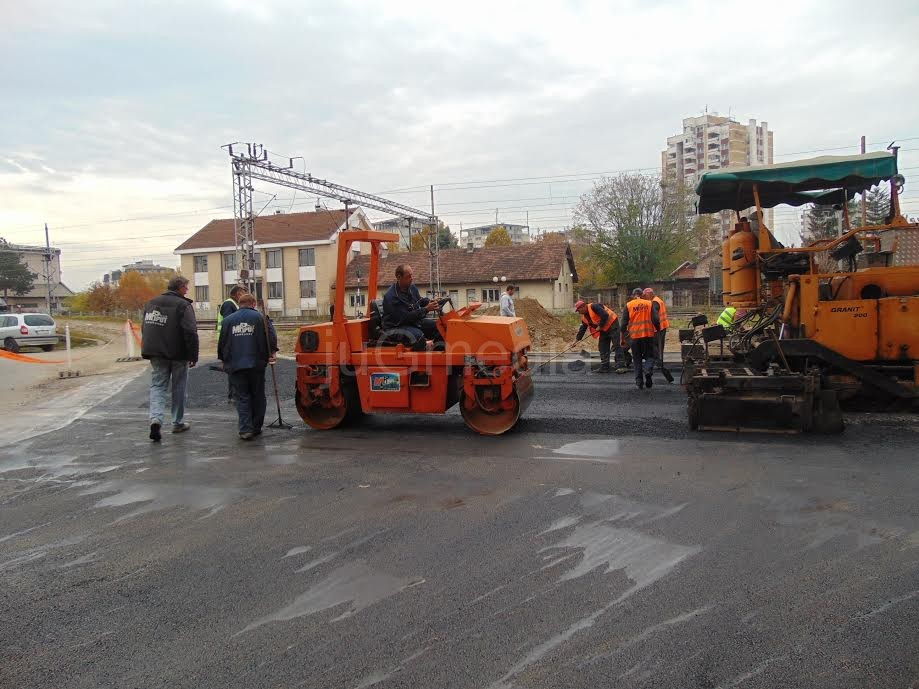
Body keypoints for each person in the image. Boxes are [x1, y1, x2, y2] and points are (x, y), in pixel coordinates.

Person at [141, 275, 199, 441]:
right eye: (186, 287)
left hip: (156, 353)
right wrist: (193, 355)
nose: (187, 290)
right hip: (178, 354)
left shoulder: (151, 303)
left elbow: (145, 328)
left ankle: (156, 419)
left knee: (158, 386)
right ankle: (177, 422)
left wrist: (148, 349)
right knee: (178, 386)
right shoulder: (183, 305)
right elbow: (190, 332)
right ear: (180, 287)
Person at [217, 293, 278, 440]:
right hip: (256, 364)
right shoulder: (261, 318)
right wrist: (272, 353)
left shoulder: (228, 321)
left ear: (239, 303)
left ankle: (245, 429)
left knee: (242, 397)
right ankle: (256, 427)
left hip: (235, 364)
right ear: (253, 304)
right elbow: (271, 336)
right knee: (258, 395)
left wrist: (223, 359)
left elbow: (222, 342)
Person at [382, 264, 443, 346]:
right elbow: (405, 317)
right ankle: (419, 357)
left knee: (440, 327)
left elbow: (420, 300)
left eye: (411, 275)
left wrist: (431, 302)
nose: (412, 278)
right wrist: (426, 309)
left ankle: (438, 350)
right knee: (418, 336)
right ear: (399, 277)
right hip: (396, 327)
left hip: (410, 322)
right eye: (408, 276)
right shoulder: (391, 297)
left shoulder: (411, 288)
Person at [620, 288, 660, 389]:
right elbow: (656, 319)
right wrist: (658, 330)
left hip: (634, 337)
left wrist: (622, 338)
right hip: (648, 335)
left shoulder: (629, 305)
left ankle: (639, 381)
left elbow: (623, 324)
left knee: (637, 359)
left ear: (633, 295)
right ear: (642, 295)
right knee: (650, 356)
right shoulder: (649, 303)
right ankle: (647, 370)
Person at [574, 300, 626, 374]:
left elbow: (605, 315)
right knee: (602, 346)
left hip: (612, 324)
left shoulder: (594, 306)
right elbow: (582, 329)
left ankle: (621, 366)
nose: (578, 312)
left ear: (583, 307)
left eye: (578, 310)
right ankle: (605, 367)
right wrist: (576, 340)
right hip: (604, 329)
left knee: (616, 345)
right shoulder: (584, 317)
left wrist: (600, 325)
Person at [217, 285, 246, 403]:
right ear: (238, 293)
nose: (243, 296)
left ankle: (235, 394)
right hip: (229, 341)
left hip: (230, 341)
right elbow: (229, 322)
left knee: (235, 368)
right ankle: (233, 396)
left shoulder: (233, 304)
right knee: (234, 369)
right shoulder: (229, 304)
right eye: (243, 293)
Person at [642, 288, 674, 383]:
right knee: (659, 348)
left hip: (658, 329)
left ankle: (658, 364)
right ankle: (659, 363)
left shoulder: (654, 303)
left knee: (655, 349)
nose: (644, 297)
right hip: (662, 328)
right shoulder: (658, 300)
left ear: (650, 294)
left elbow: (655, 317)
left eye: (645, 295)